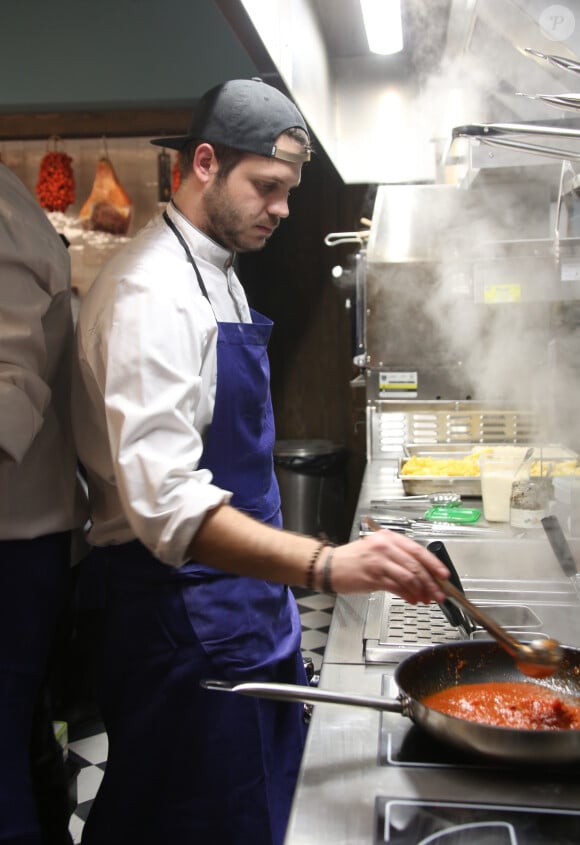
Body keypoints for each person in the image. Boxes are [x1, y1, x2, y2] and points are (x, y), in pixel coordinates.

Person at [72, 78, 449, 845]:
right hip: (182, 619)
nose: (281, 208)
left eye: (288, 190)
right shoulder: (152, 292)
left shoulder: (217, 271)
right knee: (189, 820)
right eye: (267, 188)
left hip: (245, 609)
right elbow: (170, 508)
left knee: (255, 809)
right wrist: (326, 563)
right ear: (204, 163)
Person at [0, 164, 87, 845]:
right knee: (22, 745)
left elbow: (9, 389)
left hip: (14, 544)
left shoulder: (2, 215)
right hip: (25, 538)